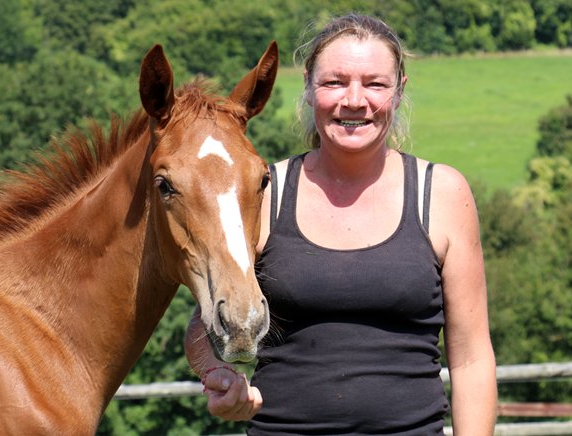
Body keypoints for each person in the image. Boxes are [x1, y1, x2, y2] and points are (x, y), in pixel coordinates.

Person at [185, 13, 497, 435]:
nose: (354, 100)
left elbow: (472, 359)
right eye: (334, 82)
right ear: (309, 87)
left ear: (399, 91)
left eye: (375, 84)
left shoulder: (442, 194)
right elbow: (202, 327)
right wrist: (218, 375)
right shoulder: (265, 193)